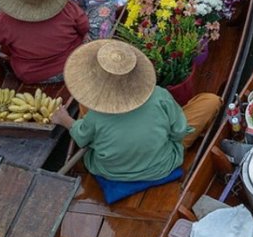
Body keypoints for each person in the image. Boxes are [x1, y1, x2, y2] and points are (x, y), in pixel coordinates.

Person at [50, 39, 221, 182]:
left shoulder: (94, 113)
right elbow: (179, 132)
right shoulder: (159, 95)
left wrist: (65, 120)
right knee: (211, 101)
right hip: (162, 165)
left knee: (85, 109)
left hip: (111, 171)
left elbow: (82, 138)